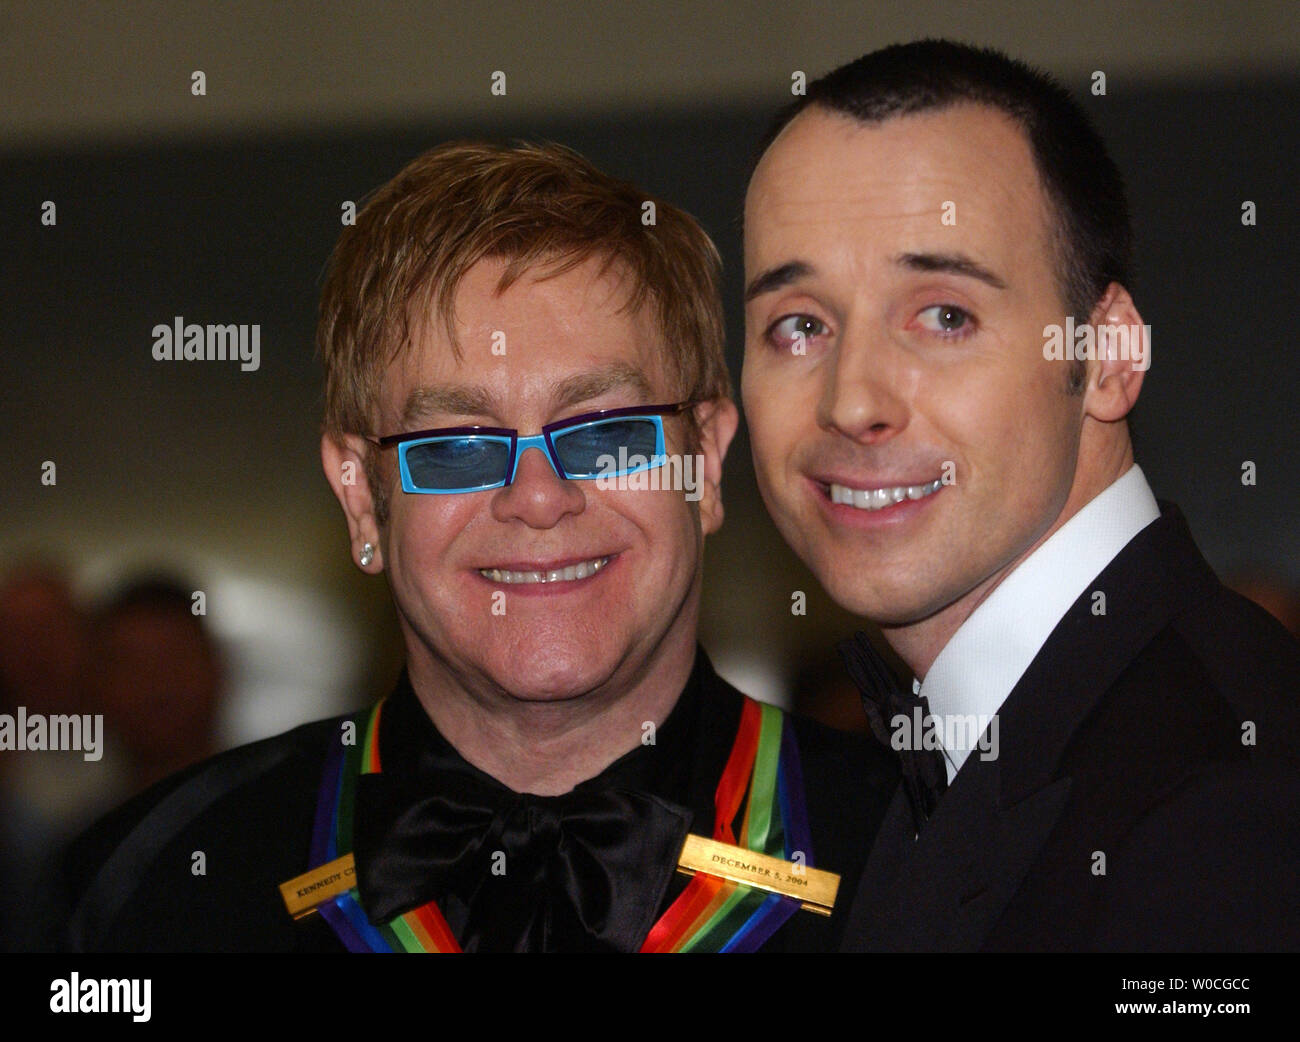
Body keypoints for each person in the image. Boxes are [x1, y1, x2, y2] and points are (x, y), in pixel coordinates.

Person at [49, 140, 896, 953]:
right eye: (457, 443)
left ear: (704, 462)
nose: (537, 497)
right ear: (360, 497)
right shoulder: (150, 890)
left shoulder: (922, 853)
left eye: (603, 431)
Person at [740, 40, 1300, 951]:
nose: (850, 401)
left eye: (945, 315)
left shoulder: (1227, 811)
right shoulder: (926, 763)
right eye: (799, 326)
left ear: (1108, 355)